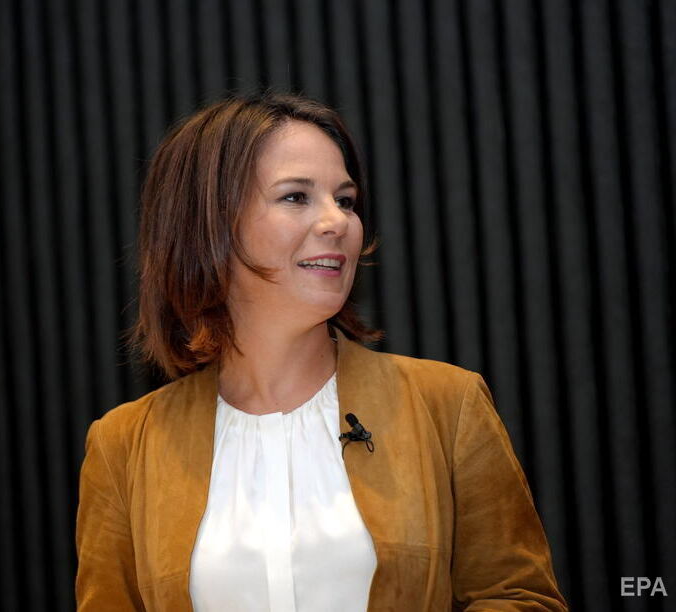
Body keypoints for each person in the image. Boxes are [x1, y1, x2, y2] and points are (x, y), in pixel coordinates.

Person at [75, 92, 568, 611]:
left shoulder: (447, 403)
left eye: (346, 200)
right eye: (296, 197)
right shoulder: (123, 445)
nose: (338, 221)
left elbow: (521, 598)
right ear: (209, 224)